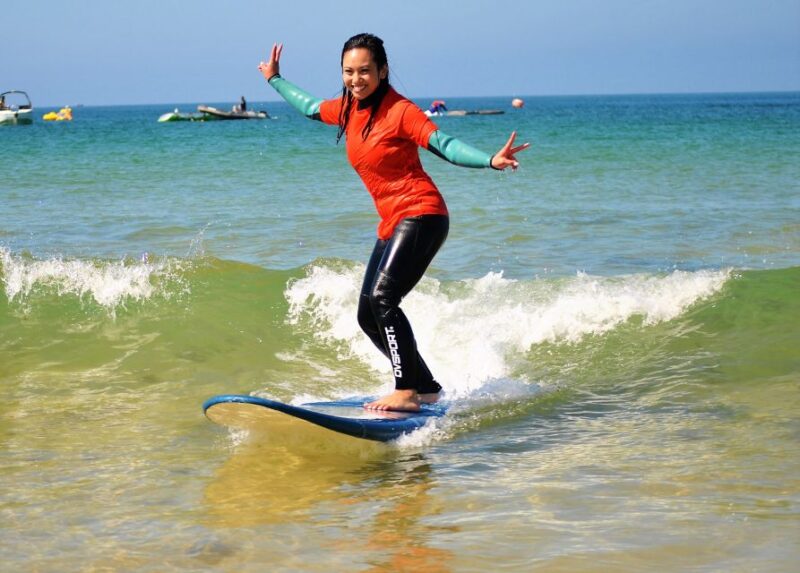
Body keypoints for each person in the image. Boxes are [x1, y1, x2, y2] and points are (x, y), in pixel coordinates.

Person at [258, 33, 529, 411]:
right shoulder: (349, 109)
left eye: (365, 71)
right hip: (393, 221)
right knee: (367, 313)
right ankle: (426, 386)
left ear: (383, 71)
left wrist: (489, 160)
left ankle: (405, 392)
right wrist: (275, 78)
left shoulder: (401, 112)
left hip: (421, 214)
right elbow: (310, 107)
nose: (356, 79)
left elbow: (444, 145)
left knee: (385, 300)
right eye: (349, 72)